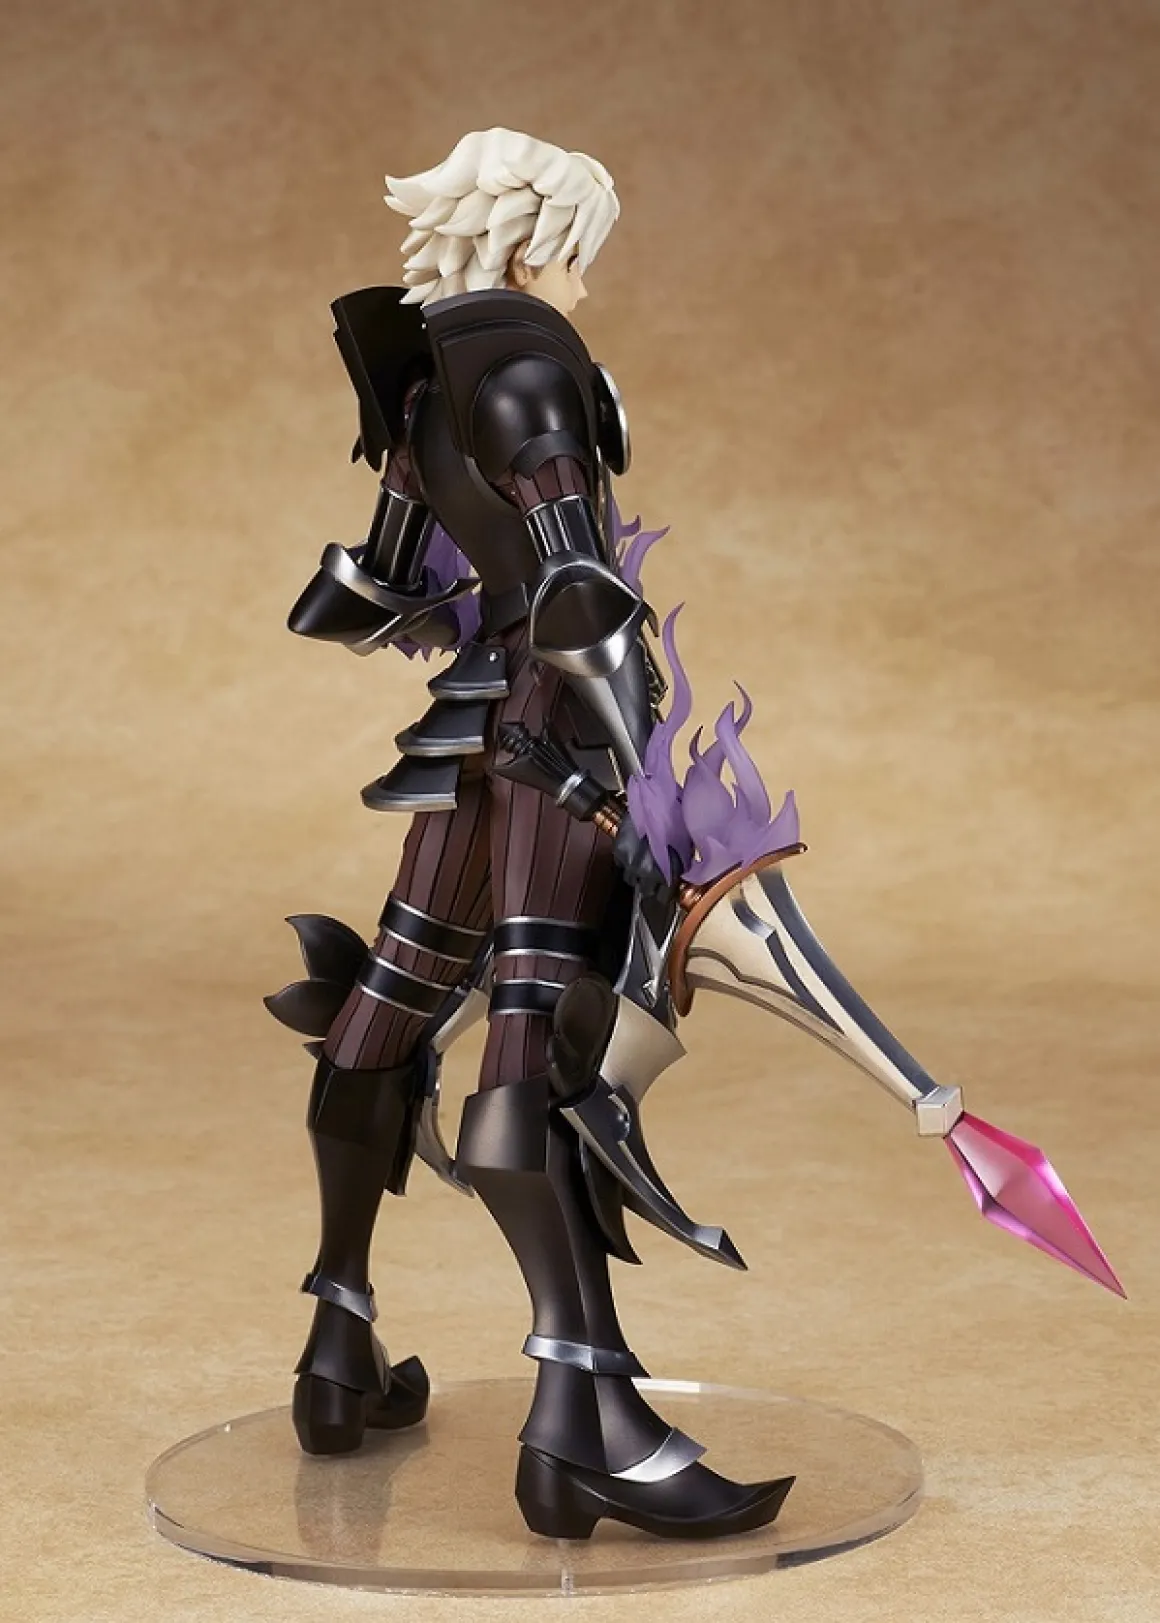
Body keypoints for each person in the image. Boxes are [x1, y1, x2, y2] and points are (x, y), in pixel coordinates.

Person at [267, 127, 791, 1540]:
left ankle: (337, 1343)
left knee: (387, 1002)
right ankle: (586, 1421)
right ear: (531, 242)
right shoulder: (533, 372)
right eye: (579, 252)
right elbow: (578, 588)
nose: (584, 281)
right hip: (553, 732)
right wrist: (634, 783)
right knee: (535, 1042)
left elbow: (374, 585)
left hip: (467, 723)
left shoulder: (419, 378)